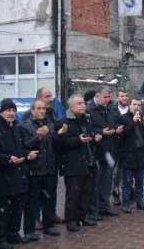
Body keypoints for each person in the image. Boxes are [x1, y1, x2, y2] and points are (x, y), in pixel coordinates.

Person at [0, 99, 37, 248]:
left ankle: (13, 234)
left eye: (13, 110)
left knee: (17, 208)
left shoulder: (16, 129)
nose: (11, 113)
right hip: (2, 177)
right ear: (1, 112)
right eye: (8, 110)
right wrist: (8, 159)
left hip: (19, 175)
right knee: (2, 211)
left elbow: (20, 150)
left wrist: (27, 154)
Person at [19, 87, 63, 225]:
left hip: (50, 162)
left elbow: (52, 138)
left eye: (51, 96)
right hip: (36, 165)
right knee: (35, 194)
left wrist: (60, 133)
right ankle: (36, 218)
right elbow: (25, 144)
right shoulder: (27, 119)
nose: (50, 99)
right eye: (47, 96)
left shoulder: (52, 114)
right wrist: (38, 137)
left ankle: (50, 216)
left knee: (50, 192)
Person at [57, 94, 99, 232]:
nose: (83, 105)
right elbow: (59, 143)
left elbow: (90, 134)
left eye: (83, 103)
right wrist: (77, 140)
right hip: (72, 164)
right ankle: (71, 219)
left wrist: (94, 137)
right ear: (71, 106)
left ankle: (82, 215)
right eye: (79, 103)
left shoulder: (87, 119)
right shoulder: (63, 122)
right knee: (73, 194)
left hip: (88, 161)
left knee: (86, 192)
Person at [87, 86, 120, 220]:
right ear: (97, 96)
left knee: (107, 179)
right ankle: (94, 209)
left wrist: (117, 128)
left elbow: (115, 121)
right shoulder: (89, 109)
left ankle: (104, 205)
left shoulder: (110, 107)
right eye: (105, 97)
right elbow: (87, 128)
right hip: (95, 150)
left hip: (109, 149)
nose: (108, 99)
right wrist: (100, 132)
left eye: (109, 97)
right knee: (95, 181)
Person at [116, 96, 144, 213]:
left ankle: (140, 201)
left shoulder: (141, 118)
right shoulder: (123, 118)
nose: (137, 107)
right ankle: (126, 203)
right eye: (134, 104)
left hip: (140, 154)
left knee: (140, 181)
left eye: (139, 105)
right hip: (128, 155)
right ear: (130, 105)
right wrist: (132, 122)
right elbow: (122, 135)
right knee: (127, 182)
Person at [111, 89, 130, 206]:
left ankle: (129, 191)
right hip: (116, 144)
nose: (124, 98)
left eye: (126, 96)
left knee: (129, 170)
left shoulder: (132, 108)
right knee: (117, 171)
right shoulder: (112, 110)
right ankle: (115, 192)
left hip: (130, 144)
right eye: (122, 96)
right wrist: (116, 129)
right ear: (117, 98)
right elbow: (110, 123)